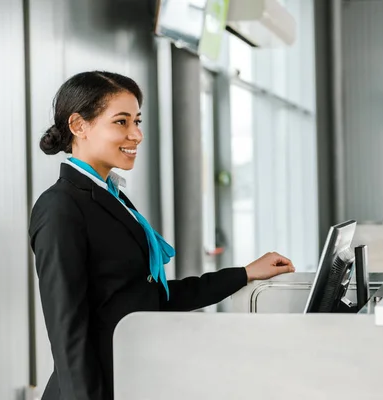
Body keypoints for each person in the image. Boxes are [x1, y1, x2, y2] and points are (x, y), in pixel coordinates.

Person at [29, 71, 296, 400]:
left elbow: (151, 299)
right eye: (121, 122)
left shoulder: (112, 198)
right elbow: (68, 331)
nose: (136, 135)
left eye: (137, 121)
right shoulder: (61, 207)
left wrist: (243, 274)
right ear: (79, 126)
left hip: (132, 378)